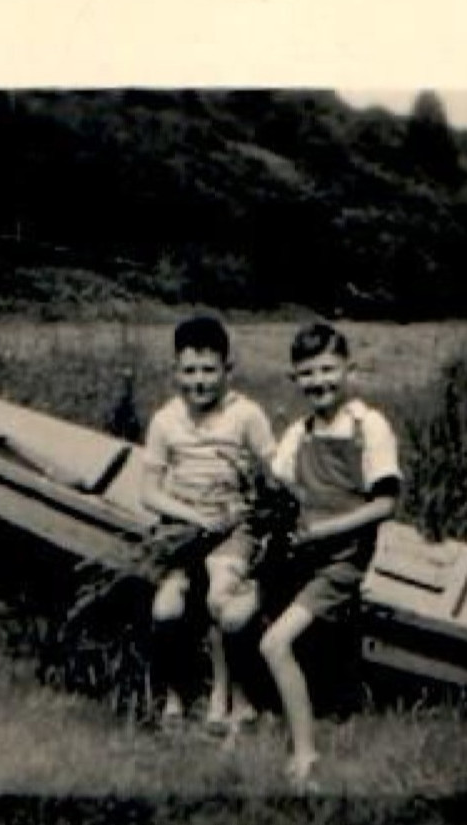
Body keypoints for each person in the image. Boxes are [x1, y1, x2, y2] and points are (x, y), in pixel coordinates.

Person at [261, 322, 402, 788]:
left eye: (327, 369)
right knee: (243, 608)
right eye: (307, 373)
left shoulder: (368, 426)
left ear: (348, 369)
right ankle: (249, 709)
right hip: (305, 553)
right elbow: (278, 483)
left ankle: (305, 758)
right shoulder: (299, 432)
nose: (318, 381)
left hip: (342, 559)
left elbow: (385, 503)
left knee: (275, 644)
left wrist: (327, 529)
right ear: (294, 379)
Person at [141, 315, 275, 731]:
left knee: (221, 595)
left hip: (231, 527)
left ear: (227, 371)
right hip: (181, 529)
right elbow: (149, 492)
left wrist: (254, 506)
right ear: (175, 371)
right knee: (166, 609)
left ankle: (225, 695)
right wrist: (192, 516)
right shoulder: (166, 421)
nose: (199, 381)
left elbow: (273, 472)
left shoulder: (246, 415)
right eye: (189, 371)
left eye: (209, 371)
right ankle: (175, 694)